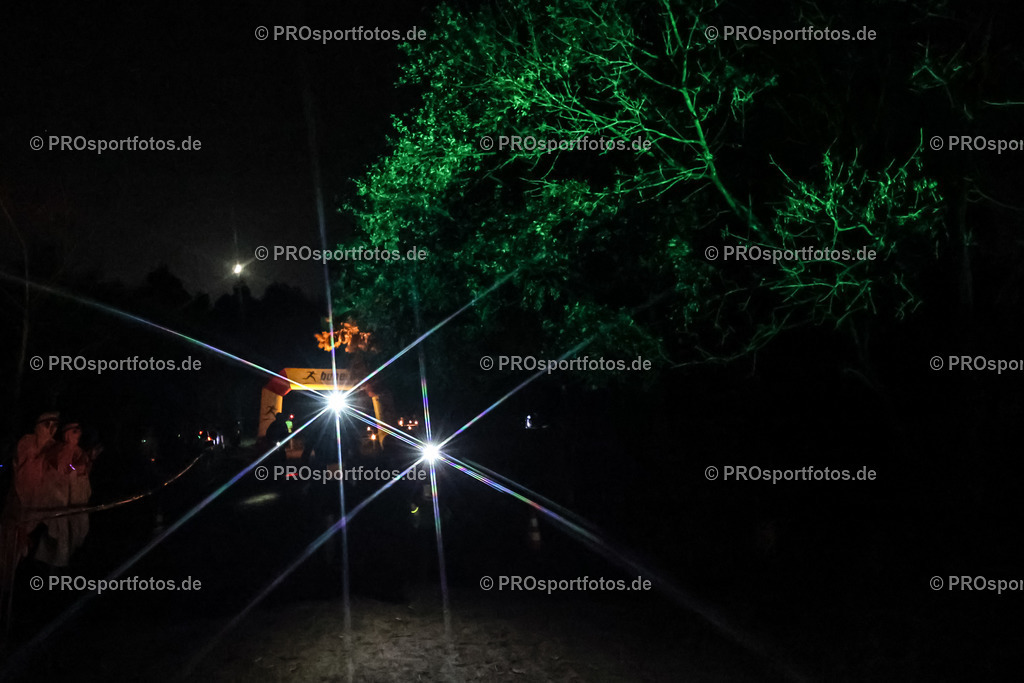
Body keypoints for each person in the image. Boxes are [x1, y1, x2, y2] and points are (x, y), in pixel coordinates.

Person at [0, 412, 60, 606]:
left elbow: (66, 467)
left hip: (35, 514)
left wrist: (73, 466)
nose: (51, 430)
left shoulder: (53, 447)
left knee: (19, 562)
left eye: (55, 426)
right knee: (7, 558)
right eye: (47, 424)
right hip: (18, 512)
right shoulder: (28, 443)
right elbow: (24, 475)